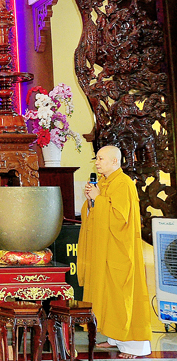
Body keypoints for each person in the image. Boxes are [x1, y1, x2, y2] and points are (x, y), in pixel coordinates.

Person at [78, 145, 151, 358]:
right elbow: (94, 214)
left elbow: (120, 219)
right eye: (96, 159)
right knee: (107, 294)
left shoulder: (124, 184)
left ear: (114, 161)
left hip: (120, 251)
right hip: (104, 250)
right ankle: (114, 337)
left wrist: (99, 199)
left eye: (101, 159)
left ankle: (134, 346)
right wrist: (91, 201)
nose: (97, 162)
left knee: (121, 295)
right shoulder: (103, 182)